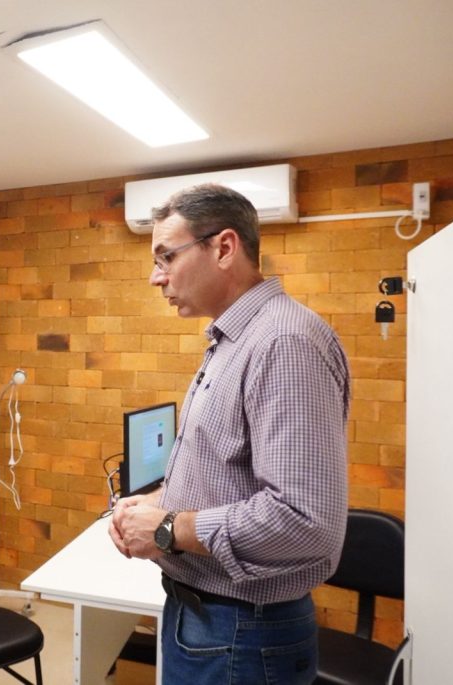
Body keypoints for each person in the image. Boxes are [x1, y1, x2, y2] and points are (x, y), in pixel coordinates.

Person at [109, 184, 349, 684]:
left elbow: (303, 520)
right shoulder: (235, 338)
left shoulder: (282, 342)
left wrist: (166, 528)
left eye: (166, 257)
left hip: (241, 632)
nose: (156, 277)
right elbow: (226, 471)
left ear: (223, 248)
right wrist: (158, 501)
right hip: (212, 621)